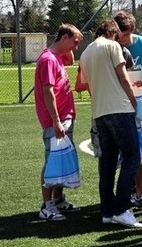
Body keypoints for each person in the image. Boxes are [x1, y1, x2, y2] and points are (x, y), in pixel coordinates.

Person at [79, 19, 142, 228]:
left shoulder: (86, 52)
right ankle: (122, 208)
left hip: (99, 113)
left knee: (107, 163)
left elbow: (87, 84)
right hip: (119, 109)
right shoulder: (113, 46)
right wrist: (133, 102)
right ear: (113, 33)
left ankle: (107, 211)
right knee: (132, 156)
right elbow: (124, 78)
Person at [34, 24, 82, 221]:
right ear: (63, 37)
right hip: (55, 120)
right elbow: (48, 92)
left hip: (64, 117)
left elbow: (70, 59)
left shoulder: (58, 56)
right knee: (52, 161)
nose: (76, 47)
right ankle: (47, 206)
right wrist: (56, 121)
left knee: (61, 159)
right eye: (74, 42)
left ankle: (59, 199)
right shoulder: (47, 60)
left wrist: (69, 48)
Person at [114, 11, 142, 208]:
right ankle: (126, 193)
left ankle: (141, 192)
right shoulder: (114, 48)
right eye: (121, 35)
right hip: (122, 102)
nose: (125, 39)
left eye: (127, 34)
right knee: (129, 149)